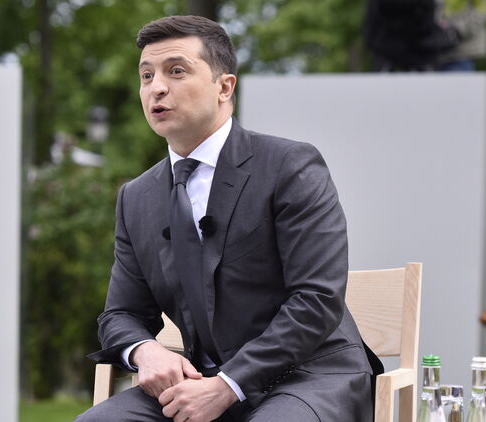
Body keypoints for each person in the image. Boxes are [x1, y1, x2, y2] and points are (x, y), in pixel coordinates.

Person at [75, 15, 381, 422]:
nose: (157, 87)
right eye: (146, 76)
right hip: (197, 380)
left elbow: (317, 299)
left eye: (176, 71)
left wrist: (227, 385)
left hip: (307, 377)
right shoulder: (136, 198)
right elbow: (121, 314)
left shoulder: (289, 165)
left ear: (224, 87)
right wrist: (144, 350)